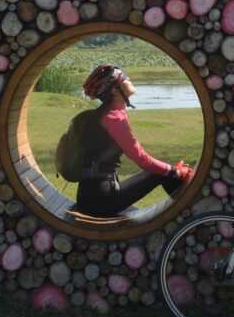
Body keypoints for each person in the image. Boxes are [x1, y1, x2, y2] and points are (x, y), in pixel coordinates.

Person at [72, 64, 196, 217]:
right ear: (115, 91)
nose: (128, 79)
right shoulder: (113, 118)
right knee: (162, 173)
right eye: (124, 78)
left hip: (88, 197)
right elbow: (142, 159)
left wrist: (170, 170)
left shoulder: (100, 115)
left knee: (163, 171)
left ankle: (191, 216)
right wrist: (175, 171)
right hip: (102, 201)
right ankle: (194, 217)